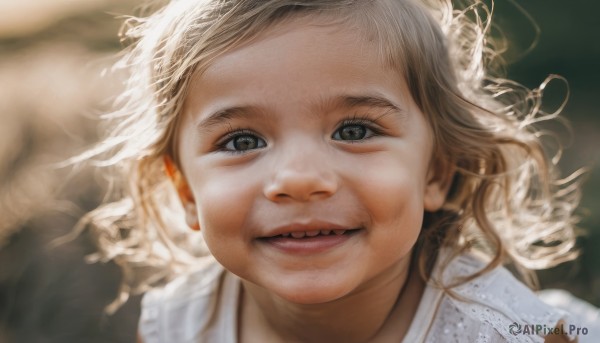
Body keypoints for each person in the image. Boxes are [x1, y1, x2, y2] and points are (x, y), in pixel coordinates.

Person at [78, 0, 598, 341]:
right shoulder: (185, 322)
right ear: (187, 190)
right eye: (241, 140)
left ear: (436, 172)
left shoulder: (511, 332)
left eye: (354, 131)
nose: (300, 179)